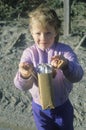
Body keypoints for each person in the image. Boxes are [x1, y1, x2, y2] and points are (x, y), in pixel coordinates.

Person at [14, 4, 84, 130]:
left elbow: (78, 75)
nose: (43, 38)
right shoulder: (29, 54)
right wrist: (24, 74)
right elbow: (22, 86)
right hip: (39, 108)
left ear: (56, 31)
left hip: (62, 106)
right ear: (31, 32)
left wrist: (66, 65)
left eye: (48, 33)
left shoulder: (65, 51)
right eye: (38, 33)